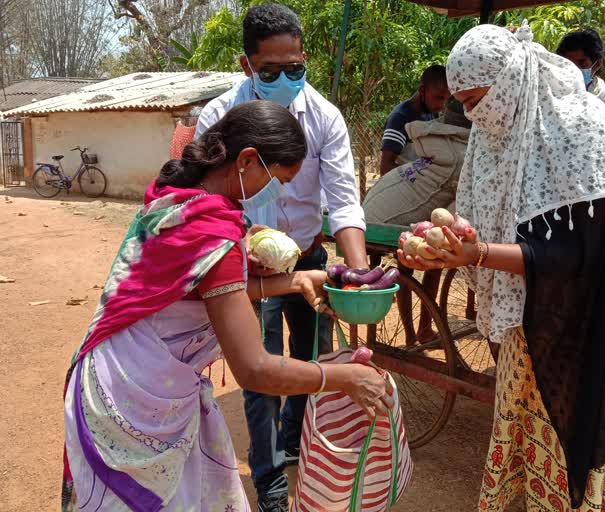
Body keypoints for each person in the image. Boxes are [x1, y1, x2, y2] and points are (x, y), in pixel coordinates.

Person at [61, 101, 392, 512]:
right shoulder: (211, 231)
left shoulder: (182, 201)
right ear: (248, 160)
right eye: (279, 179)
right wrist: (344, 378)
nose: (280, 190)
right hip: (129, 401)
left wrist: (298, 280)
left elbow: (206, 294)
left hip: (125, 375)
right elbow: (254, 368)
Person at [399, 24, 605, 511]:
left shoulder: (581, 128)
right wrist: (456, 238)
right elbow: (495, 216)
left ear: (509, 80)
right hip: (535, 293)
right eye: (464, 103)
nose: (472, 113)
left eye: (478, 99)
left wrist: (479, 254)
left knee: (588, 416)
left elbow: (581, 256)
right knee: (530, 411)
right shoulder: (497, 130)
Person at [194, 5, 369, 510]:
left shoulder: (325, 117)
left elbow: (343, 201)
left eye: (295, 68)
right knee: (260, 370)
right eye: (270, 71)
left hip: (310, 255)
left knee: (311, 356)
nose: (285, 78)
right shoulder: (220, 117)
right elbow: (213, 204)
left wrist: (354, 272)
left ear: (305, 57)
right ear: (246, 65)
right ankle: (270, 483)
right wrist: (249, 251)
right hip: (247, 265)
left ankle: (293, 441)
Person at [365, 96, 471, 342]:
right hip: (382, 223)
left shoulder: (436, 140)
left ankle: (422, 330)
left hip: (386, 211)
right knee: (408, 264)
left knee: (436, 257)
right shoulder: (458, 154)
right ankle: (413, 334)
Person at [380, 64, 451, 176]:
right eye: (439, 97)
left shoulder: (432, 112)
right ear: (422, 90)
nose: (442, 105)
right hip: (405, 187)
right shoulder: (400, 118)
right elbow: (386, 168)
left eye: (446, 98)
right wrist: (421, 177)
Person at [556, 29, 605, 120]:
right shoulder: (551, 96)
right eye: (568, 63)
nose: (574, 69)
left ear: (597, 64)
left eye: (581, 63)